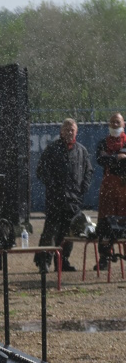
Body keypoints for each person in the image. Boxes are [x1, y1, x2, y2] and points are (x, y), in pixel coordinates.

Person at [36, 118, 93, 273]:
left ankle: (63, 262)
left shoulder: (82, 151)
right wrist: (54, 187)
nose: (69, 132)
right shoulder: (52, 149)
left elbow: (88, 171)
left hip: (74, 200)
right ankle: (44, 261)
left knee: (69, 232)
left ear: (76, 132)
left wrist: (82, 189)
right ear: (61, 131)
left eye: (72, 130)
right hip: (55, 200)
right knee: (50, 231)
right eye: (66, 129)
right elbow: (41, 170)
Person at [95, 112, 126, 269]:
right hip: (108, 188)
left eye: (118, 122)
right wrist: (117, 158)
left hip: (124, 188)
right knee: (105, 221)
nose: (115, 124)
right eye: (112, 122)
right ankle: (105, 257)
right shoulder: (102, 143)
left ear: (123, 124)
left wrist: (112, 158)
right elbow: (100, 159)